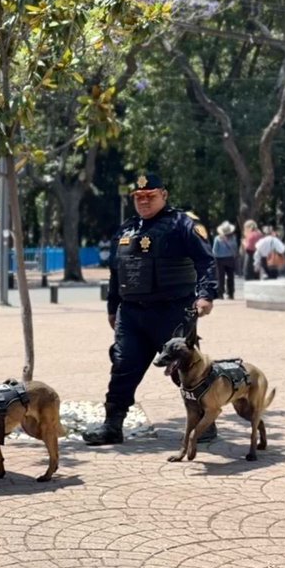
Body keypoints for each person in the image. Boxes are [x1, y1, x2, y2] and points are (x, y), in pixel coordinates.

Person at [83, 174, 217, 446]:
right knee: (122, 367)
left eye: (150, 196)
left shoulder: (183, 224)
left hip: (173, 311)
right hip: (131, 314)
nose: (144, 201)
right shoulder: (126, 229)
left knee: (185, 369)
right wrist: (112, 308)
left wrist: (206, 295)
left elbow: (206, 262)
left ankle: (205, 421)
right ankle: (112, 425)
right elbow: (116, 273)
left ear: (164, 195)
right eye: (139, 197)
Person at [212, 221, 238, 299]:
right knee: (231, 277)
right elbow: (235, 248)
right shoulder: (233, 238)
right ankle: (231, 294)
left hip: (219, 259)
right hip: (230, 258)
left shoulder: (217, 238)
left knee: (220, 277)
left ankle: (220, 294)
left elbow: (214, 250)